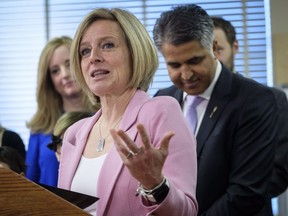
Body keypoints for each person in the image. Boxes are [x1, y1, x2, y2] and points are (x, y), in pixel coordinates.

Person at [58, 8, 198, 216]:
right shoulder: (74, 134)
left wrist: (155, 184)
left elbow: (187, 212)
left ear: (135, 52)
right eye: (85, 51)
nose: (93, 57)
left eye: (107, 45)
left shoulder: (160, 112)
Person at [153, 4, 278, 215]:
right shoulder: (162, 100)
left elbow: (246, 193)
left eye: (194, 61)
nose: (186, 74)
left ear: (213, 47)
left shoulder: (255, 100)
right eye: (174, 65)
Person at [212, 16, 288, 200]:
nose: (212, 59)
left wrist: (235, 200)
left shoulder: (268, 99)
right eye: (206, 52)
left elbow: (278, 174)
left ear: (235, 47)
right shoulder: (179, 100)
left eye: (219, 50)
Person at [26, 36, 95, 187]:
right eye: (55, 71)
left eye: (69, 64)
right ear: (49, 81)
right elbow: (29, 183)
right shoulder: (40, 128)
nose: (64, 74)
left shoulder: (106, 117)